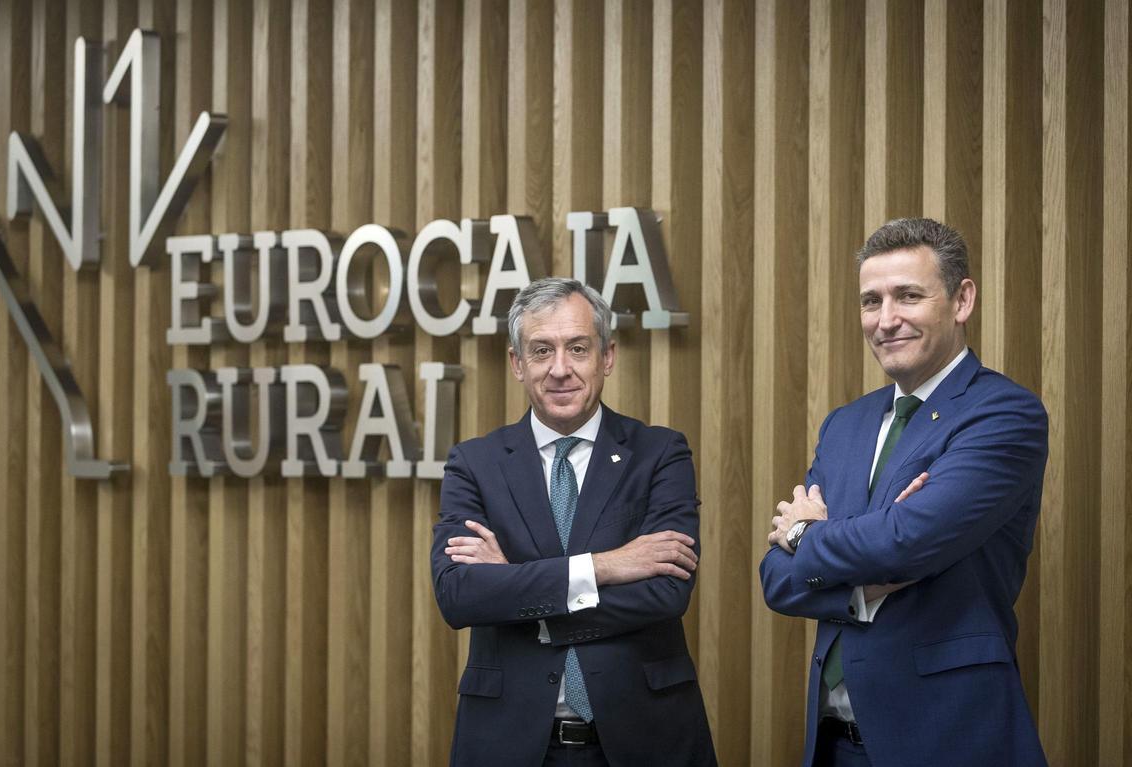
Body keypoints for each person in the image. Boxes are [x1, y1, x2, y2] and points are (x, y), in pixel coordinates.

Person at [760, 218, 1048, 767]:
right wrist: (863, 583)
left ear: (962, 300)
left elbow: (906, 542)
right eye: (871, 301)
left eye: (908, 296)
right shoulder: (846, 425)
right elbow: (775, 579)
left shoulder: (1003, 413)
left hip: (947, 736)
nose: (886, 320)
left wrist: (804, 533)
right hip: (833, 744)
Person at [431, 277, 716, 766]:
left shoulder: (660, 453)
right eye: (541, 350)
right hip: (509, 743)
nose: (560, 369)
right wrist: (606, 566)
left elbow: (666, 592)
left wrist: (516, 589)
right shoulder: (474, 463)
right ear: (517, 363)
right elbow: (460, 595)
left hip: (645, 738)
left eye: (577, 349)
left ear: (607, 356)